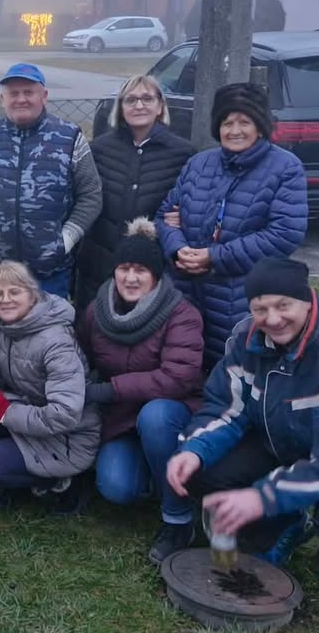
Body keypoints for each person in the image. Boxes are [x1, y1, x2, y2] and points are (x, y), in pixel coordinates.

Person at [166, 258, 319, 590]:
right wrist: (194, 449)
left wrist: (263, 497)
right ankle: (284, 526)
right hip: (280, 441)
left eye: (283, 305)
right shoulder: (244, 339)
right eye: (260, 309)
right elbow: (225, 408)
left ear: (307, 299)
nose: (272, 319)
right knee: (201, 469)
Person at [0, 63, 102, 378]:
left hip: (48, 270)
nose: (21, 99)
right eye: (13, 93)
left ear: (44, 95)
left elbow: (91, 195)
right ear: (2, 98)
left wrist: (64, 241)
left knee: (47, 353)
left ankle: (47, 403)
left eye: (28, 92)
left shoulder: (70, 139)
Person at [77, 218, 205, 563]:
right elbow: (81, 355)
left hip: (172, 413)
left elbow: (178, 378)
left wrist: (109, 390)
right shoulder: (97, 311)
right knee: (116, 488)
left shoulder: (181, 314)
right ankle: (156, 475)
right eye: (124, 268)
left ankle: (178, 519)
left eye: (141, 271)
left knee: (155, 416)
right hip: (122, 419)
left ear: (156, 276)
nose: (130, 278)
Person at [156, 82, 308, 368]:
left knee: (233, 371)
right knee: (184, 365)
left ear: (260, 127)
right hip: (186, 290)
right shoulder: (199, 164)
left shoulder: (285, 168)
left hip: (240, 297)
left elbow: (284, 234)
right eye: (227, 123)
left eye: (244, 122)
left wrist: (213, 257)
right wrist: (178, 249)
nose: (234, 130)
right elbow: (164, 215)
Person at [0, 261, 101, 514]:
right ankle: (17, 468)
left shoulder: (55, 342)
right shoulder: (3, 326)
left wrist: (4, 412)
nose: (6, 300)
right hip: (31, 411)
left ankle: (60, 480)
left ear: (32, 294)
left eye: (14, 292)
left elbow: (65, 414)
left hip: (69, 438)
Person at [74, 75, 195, 311]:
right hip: (99, 264)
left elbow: (189, 203)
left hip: (152, 267)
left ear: (160, 106)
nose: (139, 105)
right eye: (130, 100)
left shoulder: (183, 154)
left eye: (147, 99)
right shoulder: (98, 149)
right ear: (121, 107)